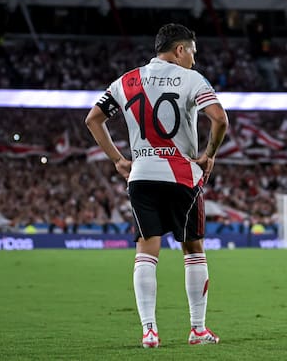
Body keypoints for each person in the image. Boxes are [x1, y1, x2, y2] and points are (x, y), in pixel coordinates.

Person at [85, 23, 229, 349]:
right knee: (193, 249)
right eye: (192, 51)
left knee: (146, 251)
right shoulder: (193, 79)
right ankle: (197, 329)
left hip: (142, 175)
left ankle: (149, 331)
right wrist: (209, 155)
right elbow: (220, 119)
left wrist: (119, 160)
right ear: (180, 50)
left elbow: (93, 119)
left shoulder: (127, 80)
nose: (194, 58)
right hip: (182, 176)